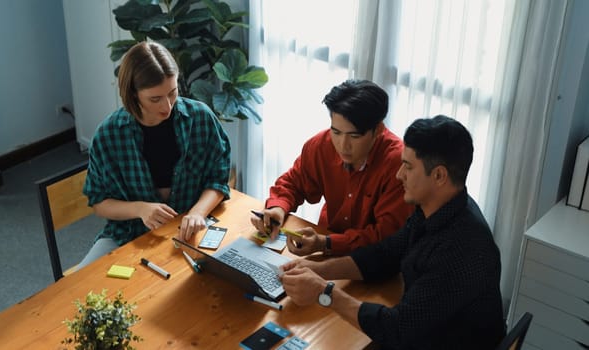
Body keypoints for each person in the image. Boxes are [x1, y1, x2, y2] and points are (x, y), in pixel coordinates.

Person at [280, 115, 506, 349]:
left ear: (439, 176)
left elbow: (398, 330)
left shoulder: (460, 249)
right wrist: (318, 270)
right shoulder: (434, 209)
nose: (399, 175)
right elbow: (386, 254)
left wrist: (323, 292)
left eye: (408, 166)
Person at [80, 41, 231, 267]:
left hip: (188, 229)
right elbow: (99, 202)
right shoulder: (109, 134)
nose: (168, 106)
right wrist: (139, 208)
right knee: (82, 290)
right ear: (133, 93)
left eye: (173, 93)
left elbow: (218, 180)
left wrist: (198, 212)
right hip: (128, 234)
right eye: (155, 98)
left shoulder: (201, 118)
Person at [250, 79, 413, 256]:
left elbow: (386, 235)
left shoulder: (399, 165)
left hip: (374, 260)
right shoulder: (321, 145)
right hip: (325, 246)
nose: (343, 145)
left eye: (354, 136)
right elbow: (293, 183)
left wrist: (327, 243)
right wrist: (277, 208)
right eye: (336, 132)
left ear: (379, 129)